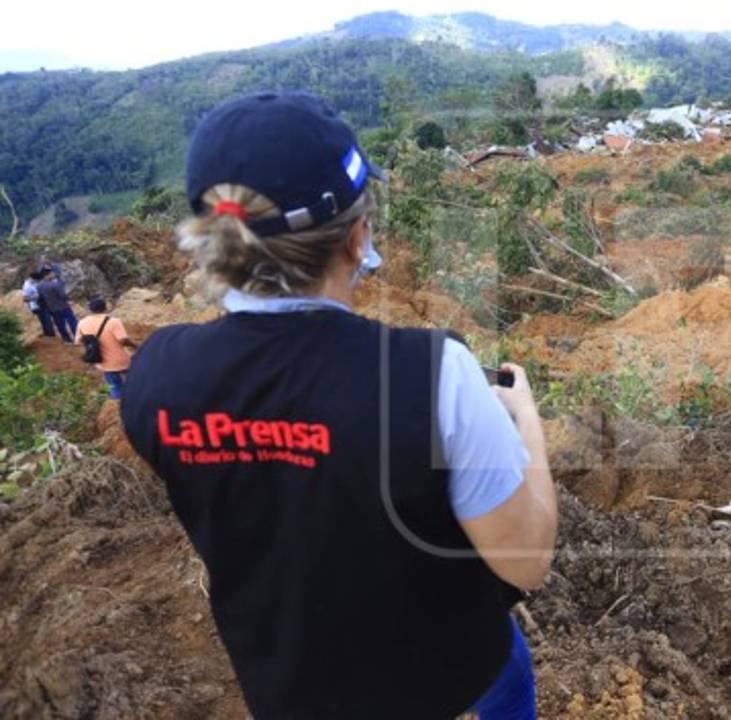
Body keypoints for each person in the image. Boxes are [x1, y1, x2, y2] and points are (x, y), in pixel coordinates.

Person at [120, 91, 557, 719]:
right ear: (357, 239)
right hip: (451, 680)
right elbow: (526, 560)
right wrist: (527, 424)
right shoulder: (434, 374)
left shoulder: (156, 376)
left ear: (213, 240)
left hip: (291, 687)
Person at [75, 298, 139, 399]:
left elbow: (79, 340)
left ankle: (117, 405)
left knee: (114, 386)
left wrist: (93, 343)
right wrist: (136, 346)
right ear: (105, 308)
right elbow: (123, 340)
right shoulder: (114, 322)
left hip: (103, 361)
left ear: (90, 310)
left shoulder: (82, 323)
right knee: (134, 382)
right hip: (121, 360)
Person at [36, 267, 77, 343]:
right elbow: (62, 295)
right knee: (72, 322)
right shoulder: (54, 284)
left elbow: (41, 298)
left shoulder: (39, 286)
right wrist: (69, 301)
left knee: (60, 325)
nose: (53, 274)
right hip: (63, 306)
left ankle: (67, 340)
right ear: (47, 275)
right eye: (51, 273)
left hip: (52, 309)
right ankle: (77, 337)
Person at [22, 271, 55, 337]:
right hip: (36, 305)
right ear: (32, 278)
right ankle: (50, 334)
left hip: (43, 303)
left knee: (44, 320)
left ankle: (48, 333)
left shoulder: (35, 283)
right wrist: (35, 297)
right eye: (36, 280)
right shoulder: (26, 286)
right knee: (46, 319)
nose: (38, 281)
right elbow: (25, 299)